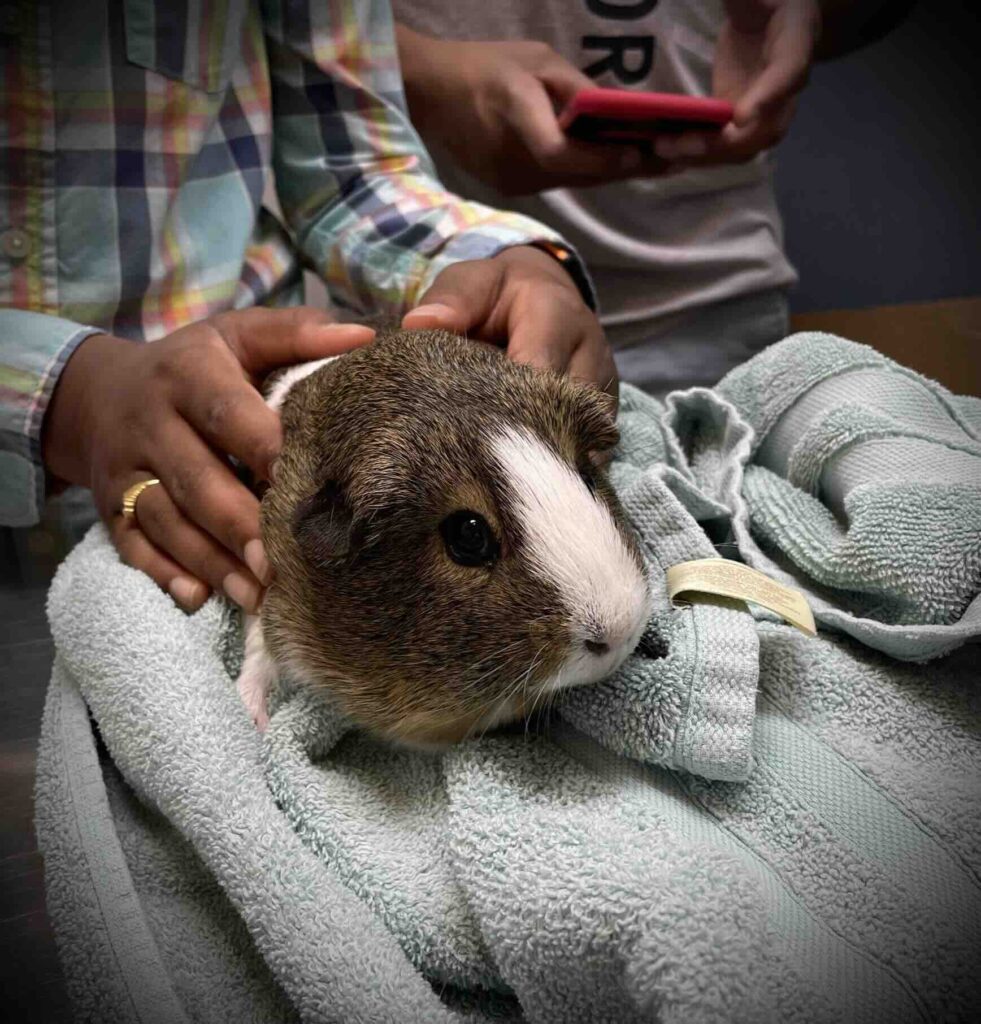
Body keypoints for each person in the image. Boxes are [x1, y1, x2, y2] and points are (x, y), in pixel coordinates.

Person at [0, 0, 612, 613]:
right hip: (172, 509)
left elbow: (352, 168)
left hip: (251, 461)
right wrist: (67, 400)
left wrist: (516, 261)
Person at [392, 0, 911, 393]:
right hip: (447, 311)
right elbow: (311, 34)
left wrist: (811, 10)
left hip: (723, 309)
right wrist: (414, 68)